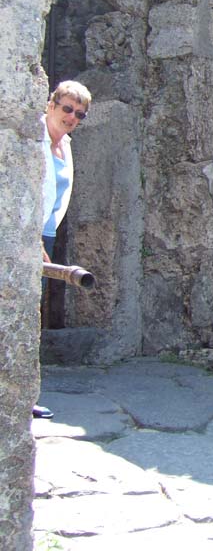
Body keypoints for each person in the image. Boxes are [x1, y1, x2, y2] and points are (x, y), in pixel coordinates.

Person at [36, 80, 91, 419]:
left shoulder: (65, 145)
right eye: (67, 108)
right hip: (24, 232)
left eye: (79, 114)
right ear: (51, 104)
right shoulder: (32, 137)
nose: (71, 117)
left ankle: (21, 393)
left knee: (31, 316)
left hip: (46, 233)